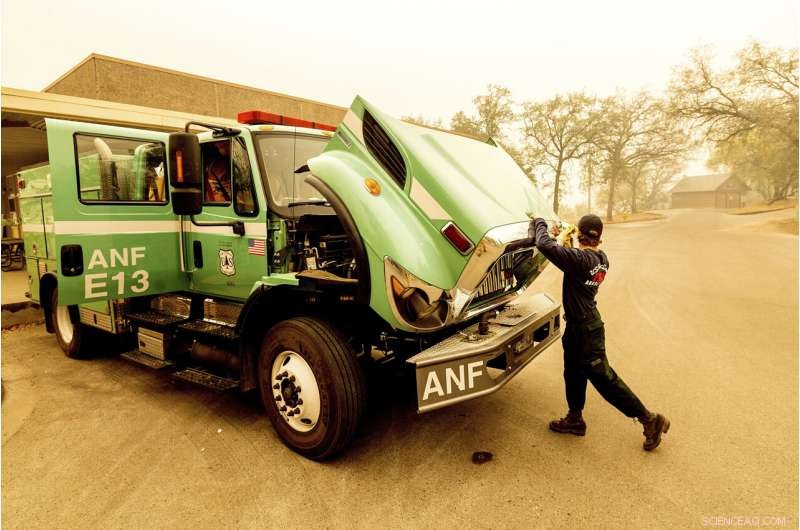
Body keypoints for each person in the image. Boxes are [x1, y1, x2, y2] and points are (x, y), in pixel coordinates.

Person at [529, 213, 670, 451]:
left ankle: (649, 419)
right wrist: (569, 242)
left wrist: (539, 222)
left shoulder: (579, 260)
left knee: (605, 379)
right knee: (573, 372)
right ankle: (575, 419)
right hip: (579, 327)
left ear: (580, 233)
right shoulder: (600, 259)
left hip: (586, 330)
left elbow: (543, 244)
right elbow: (573, 258)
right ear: (598, 237)